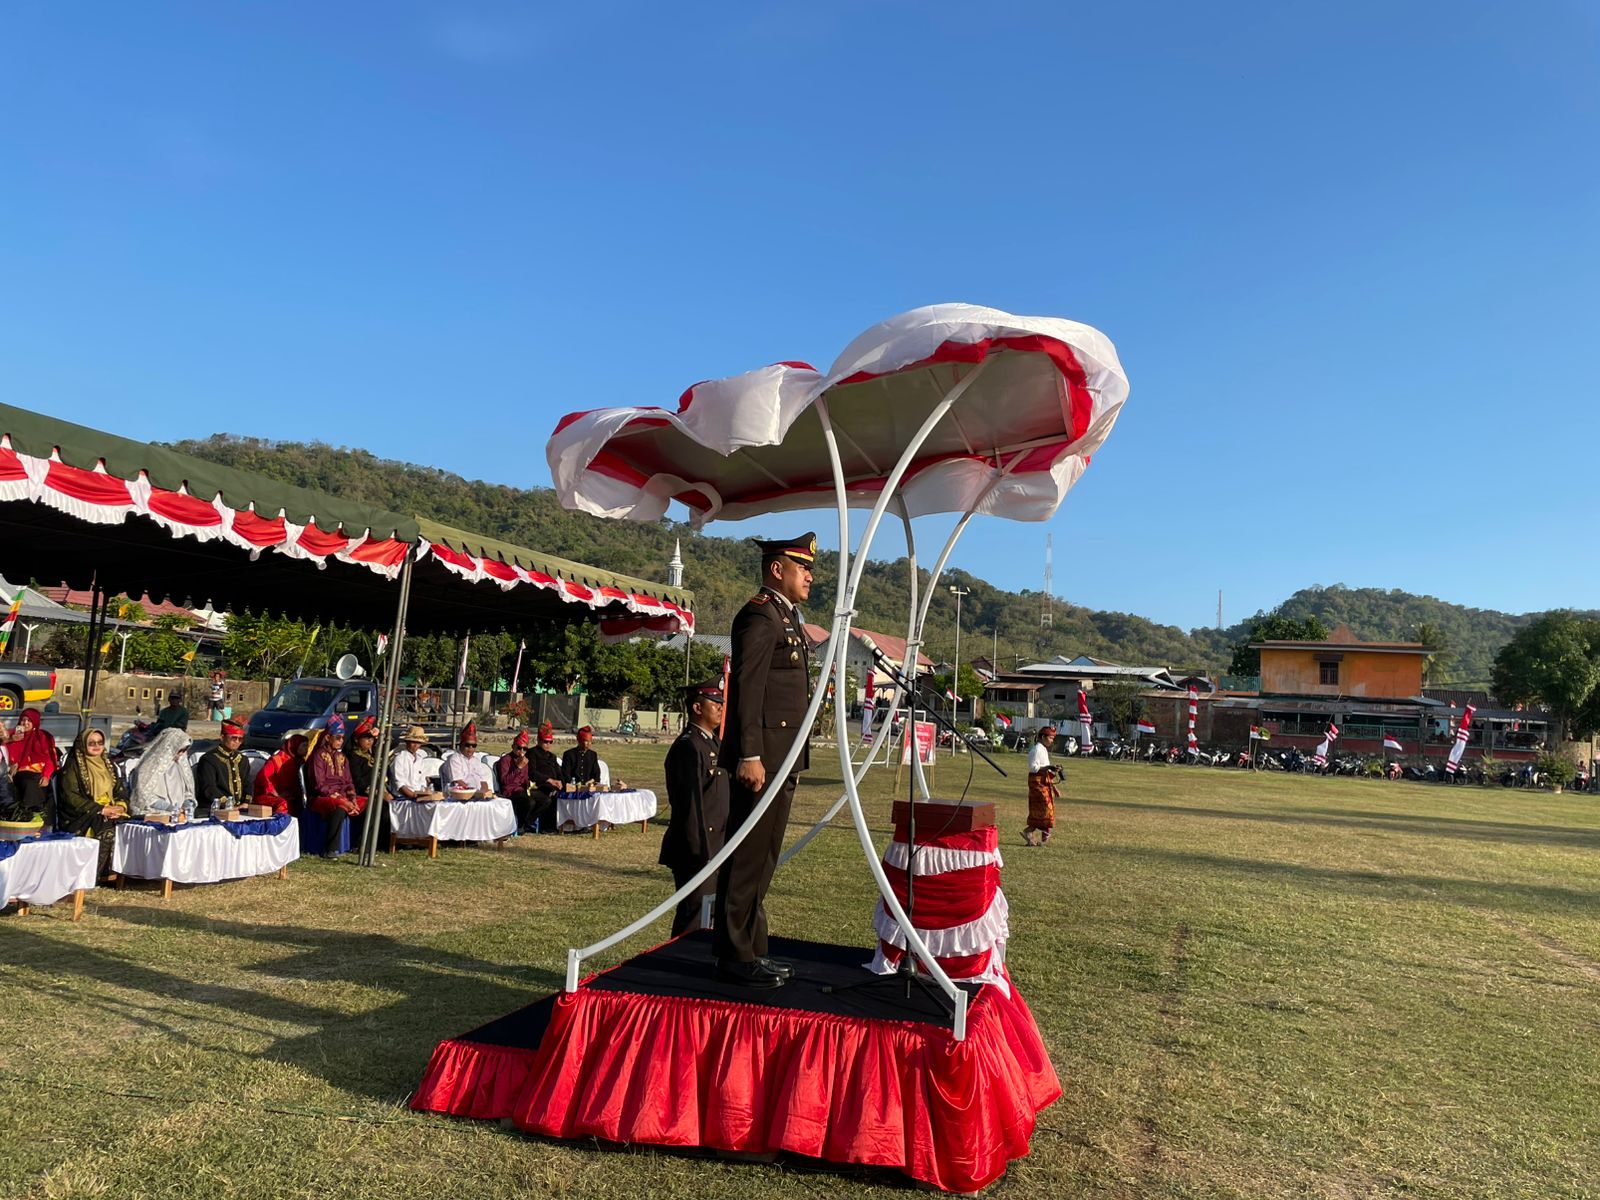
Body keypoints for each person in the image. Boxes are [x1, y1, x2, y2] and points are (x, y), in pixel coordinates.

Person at [713, 532, 815, 989]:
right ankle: (734, 955)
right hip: (763, 760)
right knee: (747, 856)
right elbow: (748, 690)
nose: (809, 576)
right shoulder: (759, 615)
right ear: (777, 570)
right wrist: (749, 754)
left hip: (782, 758)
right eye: (802, 568)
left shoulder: (786, 616)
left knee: (765, 856)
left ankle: (752, 948)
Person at [660, 681, 730, 936]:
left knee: (709, 916)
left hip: (718, 845)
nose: (721, 708)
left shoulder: (713, 743)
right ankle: (678, 958)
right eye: (715, 703)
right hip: (698, 849)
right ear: (697, 708)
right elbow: (690, 807)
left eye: (721, 703)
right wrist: (702, 852)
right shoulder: (688, 747)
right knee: (694, 915)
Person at [56, 727, 129, 875]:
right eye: (91, 743)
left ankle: (119, 872)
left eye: (100, 742)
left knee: (129, 825)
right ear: (83, 744)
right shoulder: (73, 766)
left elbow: (120, 790)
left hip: (108, 809)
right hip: (80, 815)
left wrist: (120, 807)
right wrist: (101, 809)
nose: (97, 746)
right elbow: (71, 797)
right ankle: (92, 875)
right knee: (105, 827)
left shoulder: (107, 764)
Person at [307, 715, 364, 857]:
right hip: (322, 797)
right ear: (328, 737)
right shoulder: (318, 756)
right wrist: (341, 799)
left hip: (343, 796)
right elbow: (319, 785)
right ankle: (330, 849)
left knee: (370, 804)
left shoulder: (342, 757)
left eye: (342, 738)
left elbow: (349, 781)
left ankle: (360, 845)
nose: (341, 741)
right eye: (338, 738)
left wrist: (352, 797)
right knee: (340, 807)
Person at [2, 708, 59, 821]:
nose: (25, 723)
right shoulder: (11, 734)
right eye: (23, 720)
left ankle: (38, 813)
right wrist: (11, 740)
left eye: (29, 721)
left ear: (35, 722)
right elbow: (3, 749)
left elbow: (50, 758)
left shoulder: (43, 737)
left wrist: (46, 776)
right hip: (21, 772)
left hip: (40, 771)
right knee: (29, 783)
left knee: (41, 784)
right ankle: (30, 812)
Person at [130, 727, 195, 819]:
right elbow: (144, 797)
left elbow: (188, 793)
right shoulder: (147, 768)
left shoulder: (181, 767)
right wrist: (170, 809)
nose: (181, 754)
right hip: (154, 815)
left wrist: (187, 805)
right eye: (180, 750)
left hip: (179, 816)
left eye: (185, 750)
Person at [194, 716, 249, 817]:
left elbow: (247, 783)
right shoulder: (209, 759)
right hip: (214, 809)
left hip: (240, 809)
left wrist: (246, 802)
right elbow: (208, 788)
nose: (237, 742)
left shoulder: (243, 760)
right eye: (233, 738)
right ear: (222, 737)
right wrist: (227, 804)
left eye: (240, 739)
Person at [253, 732, 309, 815]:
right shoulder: (277, 759)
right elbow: (263, 778)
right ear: (295, 746)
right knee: (283, 804)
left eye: (307, 746)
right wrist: (276, 794)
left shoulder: (300, 761)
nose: (306, 749)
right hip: (270, 795)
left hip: (289, 795)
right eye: (304, 746)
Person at [496, 729, 539, 831]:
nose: (522, 751)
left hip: (523, 790)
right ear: (513, 747)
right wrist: (518, 768)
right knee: (529, 802)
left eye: (525, 749)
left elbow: (524, 778)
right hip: (510, 792)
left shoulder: (525, 761)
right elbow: (504, 781)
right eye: (519, 748)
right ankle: (520, 826)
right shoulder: (505, 760)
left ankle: (528, 822)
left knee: (545, 800)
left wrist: (529, 783)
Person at [1025, 725, 1059, 847]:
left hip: (1044, 782)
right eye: (1050, 738)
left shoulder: (1043, 750)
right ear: (1043, 737)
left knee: (1044, 810)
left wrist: (1053, 771)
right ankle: (1036, 833)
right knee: (1045, 809)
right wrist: (1048, 768)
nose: (1052, 741)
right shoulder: (1036, 750)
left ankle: (1032, 833)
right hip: (1037, 784)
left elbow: (1046, 769)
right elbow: (1033, 768)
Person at [440, 722, 493, 798]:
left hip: (476, 794)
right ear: (461, 745)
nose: (470, 748)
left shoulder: (476, 761)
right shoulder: (454, 759)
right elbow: (458, 782)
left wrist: (484, 793)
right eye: (467, 745)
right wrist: (473, 793)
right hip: (459, 795)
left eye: (473, 746)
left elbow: (483, 782)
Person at [527, 722, 562, 831]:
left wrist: (562, 782)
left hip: (553, 787)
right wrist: (549, 780)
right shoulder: (532, 753)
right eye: (545, 741)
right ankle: (535, 824)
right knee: (548, 797)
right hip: (538, 786)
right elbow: (532, 772)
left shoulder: (552, 756)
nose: (548, 744)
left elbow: (559, 772)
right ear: (538, 740)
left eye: (550, 742)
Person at [389, 725, 434, 799]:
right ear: (407, 742)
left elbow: (422, 781)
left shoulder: (420, 759)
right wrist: (413, 796)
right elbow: (399, 784)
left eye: (418, 743)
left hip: (418, 795)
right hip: (402, 797)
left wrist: (423, 794)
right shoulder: (399, 758)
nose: (415, 745)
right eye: (413, 742)